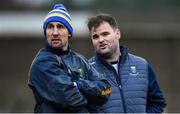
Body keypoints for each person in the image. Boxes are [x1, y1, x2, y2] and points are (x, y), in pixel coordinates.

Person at [28, 4, 111, 113]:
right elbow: (70, 99)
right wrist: (91, 99)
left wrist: (79, 85)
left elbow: (106, 90)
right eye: (50, 27)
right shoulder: (42, 62)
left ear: (69, 33)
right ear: (45, 32)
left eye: (60, 26)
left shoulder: (79, 60)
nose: (55, 32)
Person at [87, 13, 166, 113]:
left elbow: (158, 102)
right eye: (95, 37)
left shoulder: (142, 65)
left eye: (105, 34)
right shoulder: (87, 71)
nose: (101, 40)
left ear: (118, 34)